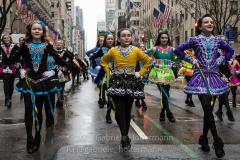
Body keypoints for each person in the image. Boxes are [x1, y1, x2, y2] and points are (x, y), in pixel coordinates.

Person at [174, 14, 234, 158]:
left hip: (214, 77)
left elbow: (230, 51)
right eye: (206, 22)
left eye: (211, 22)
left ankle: (204, 138)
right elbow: (178, 50)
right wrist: (191, 60)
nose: (210, 24)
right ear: (200, 26)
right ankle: (217, 141)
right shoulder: (194, 40)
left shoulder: (218, 40)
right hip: (200, 77)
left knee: (209, 110)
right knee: (207, 108)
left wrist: (220, 59)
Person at [13, 21, 67, 154]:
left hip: (43, 82)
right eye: (34, 29)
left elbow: (60, 60)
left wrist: (53, 71)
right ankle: (29, 139)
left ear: (43, 32)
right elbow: (14, 59)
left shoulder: (47, 45)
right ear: (30, 31)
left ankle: (38, 136)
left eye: (39, 29)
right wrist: (20, 70)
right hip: (28, 81)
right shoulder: (24, 45)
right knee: (28, 109)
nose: (37, 31)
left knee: (38, 110)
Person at [101, 28, 152, 152]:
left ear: (132, 38)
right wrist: (109, 72)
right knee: (119, 111)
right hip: (117, 82)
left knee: (127, 111)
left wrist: (139, 74)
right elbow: (104, 61)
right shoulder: (113, 50)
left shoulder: (135, 50)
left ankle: (125, 137)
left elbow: (147, 62)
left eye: (128, 35)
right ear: (118, 39)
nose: (126, 38)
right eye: (123, 36)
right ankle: (124, 137)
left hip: (131, 83)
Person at [145, 30, 179, 123]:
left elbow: (181, 55)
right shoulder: (155, 49)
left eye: (166, 38)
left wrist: (173, 62)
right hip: (157, 73)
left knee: (166, 93)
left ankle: (162, 112)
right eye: (162, 38)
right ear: (159, 39)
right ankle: (169, 113)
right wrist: (151, 61)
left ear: (168, 39)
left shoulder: (172, 49)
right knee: (163, 92)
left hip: (168, 73)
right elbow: (143, 54)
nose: (164, 39)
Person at [89, 32, 115, 123]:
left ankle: (110, 113)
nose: (110, 40)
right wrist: (95, 66)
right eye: (108, 39)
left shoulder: (117, 49)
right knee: (109, 95)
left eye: (112, 39)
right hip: (104, 75)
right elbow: (91, 56)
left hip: (116, 75)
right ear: (105, 40)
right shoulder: (101, 50)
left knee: (113, 96)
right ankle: (108, 115)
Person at [215, 35, 235, 122]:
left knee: (223, 93)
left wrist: (230, 62)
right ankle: (229, 111)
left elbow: (230, 59)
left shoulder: (227, 49)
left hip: (226, 72)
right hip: (219, 72)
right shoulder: (215, 49)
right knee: (224, 92)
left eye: (225, 40)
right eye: (222, 40)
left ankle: (220, 111)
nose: (224, 42)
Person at [0, 34, 19, 108]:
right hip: (4, 66)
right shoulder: (1, 47)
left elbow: (20, 54)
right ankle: (6, 99)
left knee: (11, 84)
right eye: (4, 38)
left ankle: (10, 99)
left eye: (7, 38)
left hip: (12, 66)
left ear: (10, 39)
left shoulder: (15, 46)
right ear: (3, 40)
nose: (6, 39)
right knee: (6, 82)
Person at [55, 40, 74, 109]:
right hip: (54, 70)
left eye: (60, 43)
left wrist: (67, 62)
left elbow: (71, 57)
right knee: (55, 84)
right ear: (55, 44)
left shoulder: (65, 51)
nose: (58, 44)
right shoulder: (53, 50)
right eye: (57, 43)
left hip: (62, 70)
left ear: (62, 44)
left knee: (61, 85)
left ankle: (60, 100)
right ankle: (59, 99)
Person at [135, 43, 148, 108]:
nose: (142, 48)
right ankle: (143, 101)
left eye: (143, 47)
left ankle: (137, 100)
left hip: (144, 74)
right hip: (138, 73)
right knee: (140, 87)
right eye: (141, 47)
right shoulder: (136, 55)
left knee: (141, 87)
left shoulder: (146, 56)